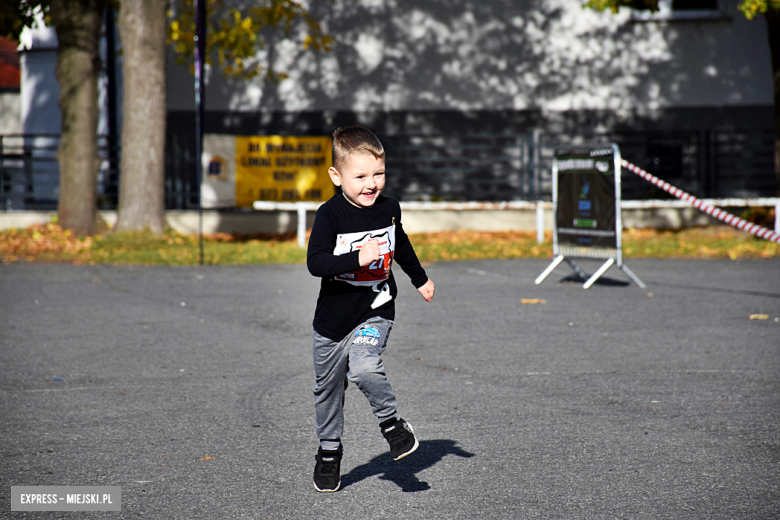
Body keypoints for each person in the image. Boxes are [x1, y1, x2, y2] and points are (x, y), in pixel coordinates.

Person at [306, 125, 435, 492]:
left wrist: (419, 278)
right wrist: (354, 257)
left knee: (364, 365)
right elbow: (316, 262)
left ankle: (393, 425)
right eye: (360, 175)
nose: (371, 183)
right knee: (328, 389)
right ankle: (329, 452)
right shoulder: (330, 215)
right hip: (332, 322)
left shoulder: (389, 209)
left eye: (378, 173)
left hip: (375, 309)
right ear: (336, 176)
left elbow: (402, 244)